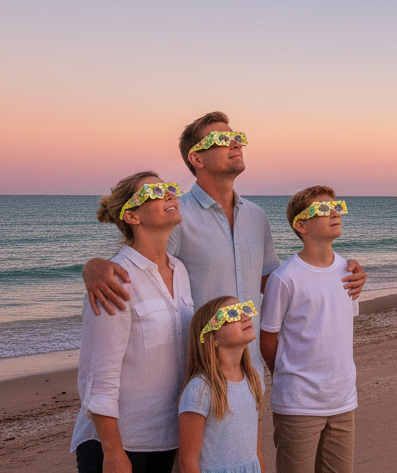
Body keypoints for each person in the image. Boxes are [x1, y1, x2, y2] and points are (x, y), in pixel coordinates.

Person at [82, 112, 367, 321]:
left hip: (250, 363)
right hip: (200, 367)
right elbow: (142, 271)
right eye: (222, 139)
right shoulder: (177, 216)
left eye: (236, 138)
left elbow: (274, 281)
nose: (235, 144)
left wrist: (338, 271)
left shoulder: (256, 216)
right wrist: (94, 267)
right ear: (197, 159)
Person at [72, 173, 195, 473]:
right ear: (132, 215)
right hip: (119, 445)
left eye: (170, 188)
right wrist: (113, 452)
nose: (169, 194)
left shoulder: (180, 270)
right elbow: (99, 376)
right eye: (156, 191)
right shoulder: (115, 279)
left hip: (165, 439)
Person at [260, 186, 358, 473]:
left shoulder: (348, 271)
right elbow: (268, 338)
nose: (334, 213)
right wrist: (289, 376)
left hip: (342, 398)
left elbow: (337, 329)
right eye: (322, 209)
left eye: (337, 206)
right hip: (298, 403)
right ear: (301, 225)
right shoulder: (284, 278)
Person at [177, 296, 267, 473]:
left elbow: (257, 452)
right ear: (212, 336)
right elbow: (187, 462)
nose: (244, 315)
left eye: (245, 308)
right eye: (232, 313)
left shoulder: (254, 381)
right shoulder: (200, 390)